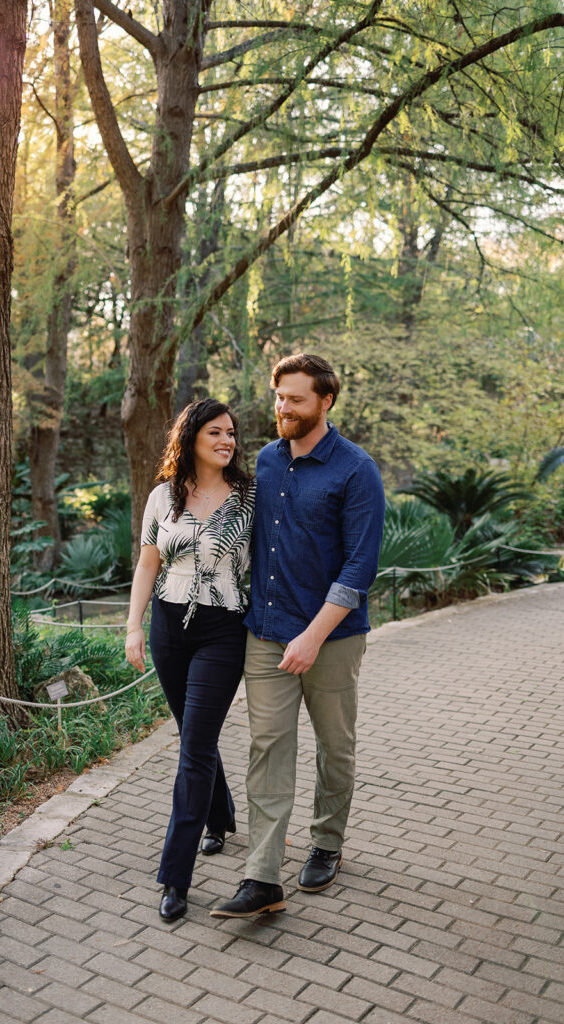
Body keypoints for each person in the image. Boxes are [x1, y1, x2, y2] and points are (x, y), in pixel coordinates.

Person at [211, 353, 385, 919]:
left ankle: (327, 842)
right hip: (265, 634)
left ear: (325, 401)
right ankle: (262, 878)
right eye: (278, 396)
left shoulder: (356, 469)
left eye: (295, 399)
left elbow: (359, 567)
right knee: (267, 749)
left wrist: (312, 636)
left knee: (335, 747)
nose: (282, 408)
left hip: (331, 640)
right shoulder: (264, 460)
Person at [125, 397, 254, 923]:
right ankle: (220, 817)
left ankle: (175, 878)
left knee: (195, 748)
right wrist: (133, 626)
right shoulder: (163, 496)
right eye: (216, 433)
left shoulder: (249, 497)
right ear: (192, 438)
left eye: (232, 434)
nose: (227, 441)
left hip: (222, 629)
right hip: (167, 627)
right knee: (191, 735)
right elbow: (147, 563)